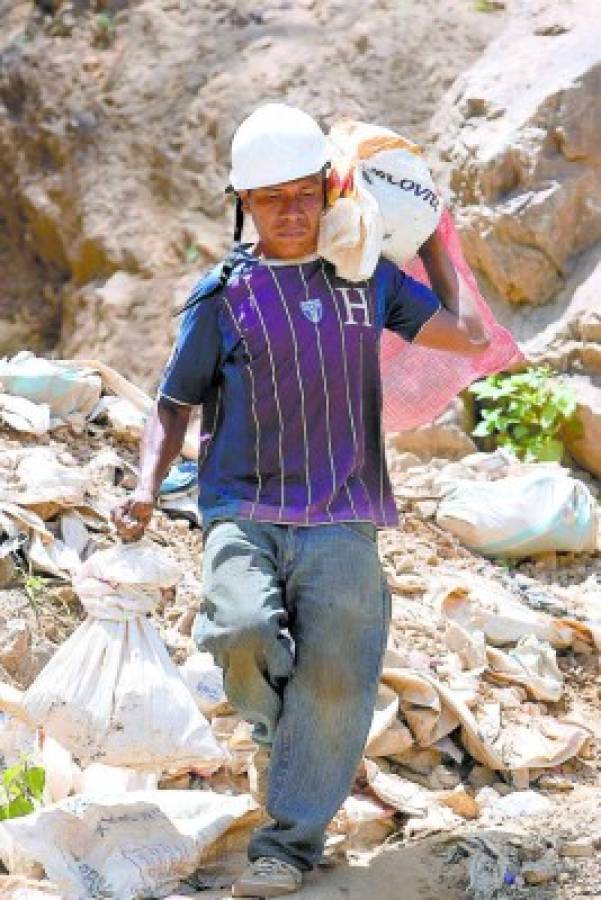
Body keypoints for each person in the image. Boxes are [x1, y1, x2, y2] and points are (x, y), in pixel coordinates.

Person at [112, 102, 490, 897]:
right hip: (242, 509)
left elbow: (469, 337)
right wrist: (146, 488)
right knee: (241, 630)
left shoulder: (368, 280)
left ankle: (286, 842)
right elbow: (173, 401)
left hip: (345, 510)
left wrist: (430, 242)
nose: (290, 212)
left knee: (335, 676)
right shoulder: (221, 296)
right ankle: (270, 735)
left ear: (330, 188)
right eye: (268, 198)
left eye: (303, 193)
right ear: (241, 205)